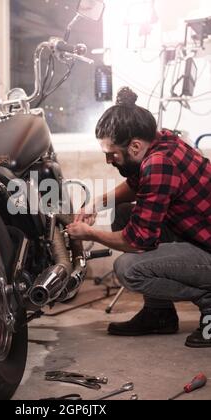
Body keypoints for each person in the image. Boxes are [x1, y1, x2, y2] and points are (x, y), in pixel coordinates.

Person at [66, 87, 211, 348]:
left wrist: (89, 234)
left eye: (112, 154)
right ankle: (159, 315)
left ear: (134, 146)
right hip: (199, 238)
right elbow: (137, 185)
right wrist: (97, 204)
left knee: (128, 269)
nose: (109, 160)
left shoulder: (159, 163)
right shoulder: (160, 140)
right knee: (123, 212)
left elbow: (137, 241)